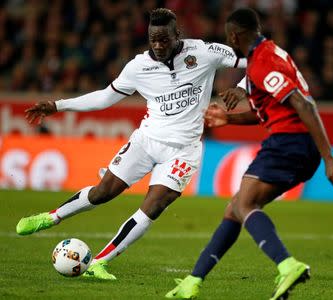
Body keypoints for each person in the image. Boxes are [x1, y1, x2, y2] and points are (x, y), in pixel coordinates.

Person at [16, 8, 246, 280]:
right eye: (153, 40)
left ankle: (100, 262)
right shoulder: (138, 67)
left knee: (155, 205)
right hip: (146, 141)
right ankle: (51, 217)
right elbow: (104, 98)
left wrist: (242, 88)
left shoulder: (205, 52)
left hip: (184, 150)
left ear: (177, 35)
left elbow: (256, 60)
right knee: (103, 193)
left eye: (164, 40)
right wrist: (58, 105)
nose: (158, 46)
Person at [166, 8, 333, 300]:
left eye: (228, 37)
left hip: (289, 143)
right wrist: (230, 119)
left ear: (234, 36)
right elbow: (270, 110)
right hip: (297, 145)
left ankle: (287, 265)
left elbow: (304, 105)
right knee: (236, 208)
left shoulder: (263, 63)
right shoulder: (271, 54)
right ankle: (193, 281)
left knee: (245, 203)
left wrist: (329, 157)